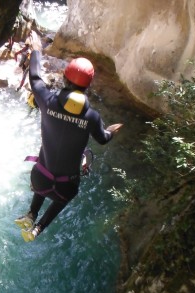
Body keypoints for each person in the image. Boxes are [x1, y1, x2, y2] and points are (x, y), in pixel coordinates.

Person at [15, 31, 123, 242]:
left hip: (39, 179)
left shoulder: (47, 101)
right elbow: (102, 138)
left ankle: (31, 214)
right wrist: (111, 130)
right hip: (65, 187)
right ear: (88, 86)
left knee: (45, 174)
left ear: (65, 77)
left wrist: (37, 51)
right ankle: (38, 229)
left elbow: (35, 78)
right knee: (60, 197)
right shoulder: (91, 116)